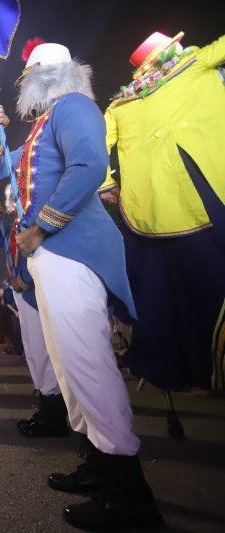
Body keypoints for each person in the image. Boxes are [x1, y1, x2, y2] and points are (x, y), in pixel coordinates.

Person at [0, 41, 161, 529]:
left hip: (71, 249)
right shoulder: (42, 126)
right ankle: (100, 465)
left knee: (87, 364)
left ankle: (129, 492)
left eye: (27, 74)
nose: (21, 84)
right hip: (49, 259)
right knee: (70, 369)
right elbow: (2, 174)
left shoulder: (75, 106)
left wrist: (42, 227)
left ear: (48, 75)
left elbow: (89, 168)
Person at [100, 32, 225, 392]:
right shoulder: (196, 62)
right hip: (208, 193)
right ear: (173, 50)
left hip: (150, 216)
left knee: (169, 297)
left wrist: (106, 184)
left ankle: (188, 370)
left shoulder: (120, 106)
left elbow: (95, 147)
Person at [0, 201, 68, 438]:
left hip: (35, 285)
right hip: (21, 288)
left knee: (44, 350)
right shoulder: (16, 223)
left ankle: (55, 414)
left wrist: (25, 278)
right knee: (33, 350)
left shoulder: (39, 216)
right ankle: (47, 407)